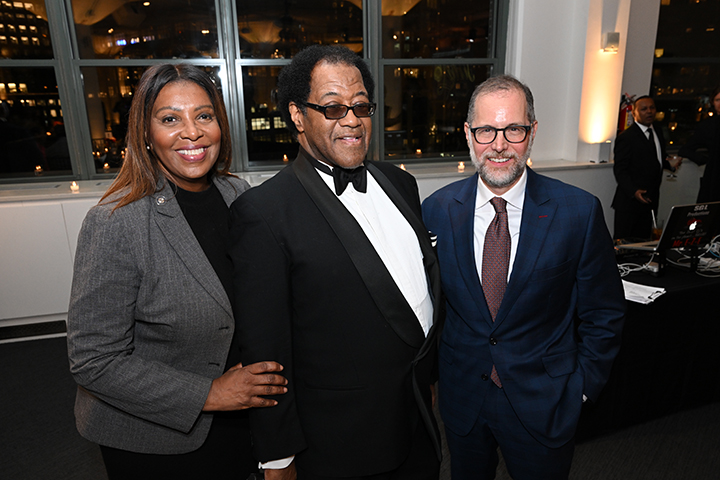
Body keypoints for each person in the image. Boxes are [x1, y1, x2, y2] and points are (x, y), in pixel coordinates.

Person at [229, 45, 442, 480]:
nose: (351, 120)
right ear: (297, 115)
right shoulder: (264, 213)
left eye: (361, 106)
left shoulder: (401, 183)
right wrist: (279, 457)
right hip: (340, 444)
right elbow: (267, 352)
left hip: (418, 418)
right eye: (332, 108)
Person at [66, 64, 288, 480]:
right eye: (170, 119)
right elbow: (93, 360)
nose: (192, 132)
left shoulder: (238, 195)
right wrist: (210, 394)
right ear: (146, 134)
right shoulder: (116, 222)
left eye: (204, 116)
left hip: (244, 420)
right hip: (155, 440)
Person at [421, 75, 625, 480]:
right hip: (463, 398)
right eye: (486, 130)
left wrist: (582, 388)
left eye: (513, 129)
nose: (499, 145)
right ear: (468, 134)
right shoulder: (436, 210)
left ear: (532, 132)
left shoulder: (578, 212)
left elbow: (604, 312)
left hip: (546, 400)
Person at [612, 95, 681, 240]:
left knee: (644, 243)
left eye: (652, 108)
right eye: (644, 109)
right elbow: (620, 170)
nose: (649, 111)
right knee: (625, 244)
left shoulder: (658, 132)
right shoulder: (627, 137)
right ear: (634, 113)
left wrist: (670, 165)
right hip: (630, 203)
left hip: (651, 201)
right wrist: (634, 191)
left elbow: (656, 158)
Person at [679, 86, 720, 203]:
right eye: (718, 100)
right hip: (714, 177)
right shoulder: (707, 126)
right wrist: (705, 160)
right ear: (712, 102)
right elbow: (685, 149)